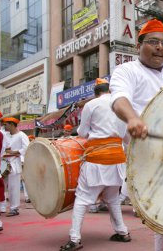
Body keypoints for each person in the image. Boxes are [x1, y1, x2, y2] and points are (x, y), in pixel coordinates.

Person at [110, 18, 163, 251]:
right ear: (138, 46)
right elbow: (119, 99)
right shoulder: (127, 70)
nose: (160, 47)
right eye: (153, 42)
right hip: (149, 156)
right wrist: (133, 118)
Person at [59, 78, 131, 251]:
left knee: (83, 199)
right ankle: (122, 232)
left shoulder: (92, 105)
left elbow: (83, 132)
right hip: (117, 160)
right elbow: (127, 138)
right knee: (112, 198)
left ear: (96, 92)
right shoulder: (123, 106)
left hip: (97, 158)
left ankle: (75, 239)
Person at [2, 117, 29, 217]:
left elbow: (27, 147)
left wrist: (15, 152)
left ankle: (14, 208)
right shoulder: (5, 135)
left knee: (14, 187)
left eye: (6, 124)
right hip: (4, 163)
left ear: (12, 125)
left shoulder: (22, 135)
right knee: (1, 186)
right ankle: (2, 207)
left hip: (14, 163)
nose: (5, 126)